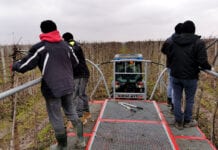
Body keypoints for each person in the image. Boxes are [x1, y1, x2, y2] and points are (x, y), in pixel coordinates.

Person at [12, 20, 86, 149]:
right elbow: (75, 62)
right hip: (68, 85)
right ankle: (81, 140)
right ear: (56, 29)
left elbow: (25, 65)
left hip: (52, 88)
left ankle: (62, 146)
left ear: (42, 31)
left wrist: (14, 65)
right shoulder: (66, 46)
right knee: (71, 111)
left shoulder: (40, 47)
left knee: (56, 116)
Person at [168, 20, 212, 130]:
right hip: (190, 77)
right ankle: (187, 121)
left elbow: (170, 56)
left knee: (177, 98)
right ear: (194, 30)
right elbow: (203, 62)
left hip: (175, 75)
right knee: (189, 99)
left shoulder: (173, 41)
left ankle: (178, 122)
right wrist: (210, 68)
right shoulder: (199, 42)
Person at [62, 32, 91, 129]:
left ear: (65, 39)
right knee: (81, 94)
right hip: (82, 73)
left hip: (79, 74)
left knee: (77, 95)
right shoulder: (74, 44)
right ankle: (86, 113)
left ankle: (80, 118)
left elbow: (71, 51)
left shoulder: (72, 45)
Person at [161, 23, 183, 113]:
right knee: (176, 86)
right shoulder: (180, 40)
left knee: (171, 82)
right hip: (177, 66)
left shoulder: (168, 40)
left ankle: (169, 100)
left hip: (170, 65)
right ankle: (174, 105)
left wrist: (169, 55)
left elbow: (163, 50)